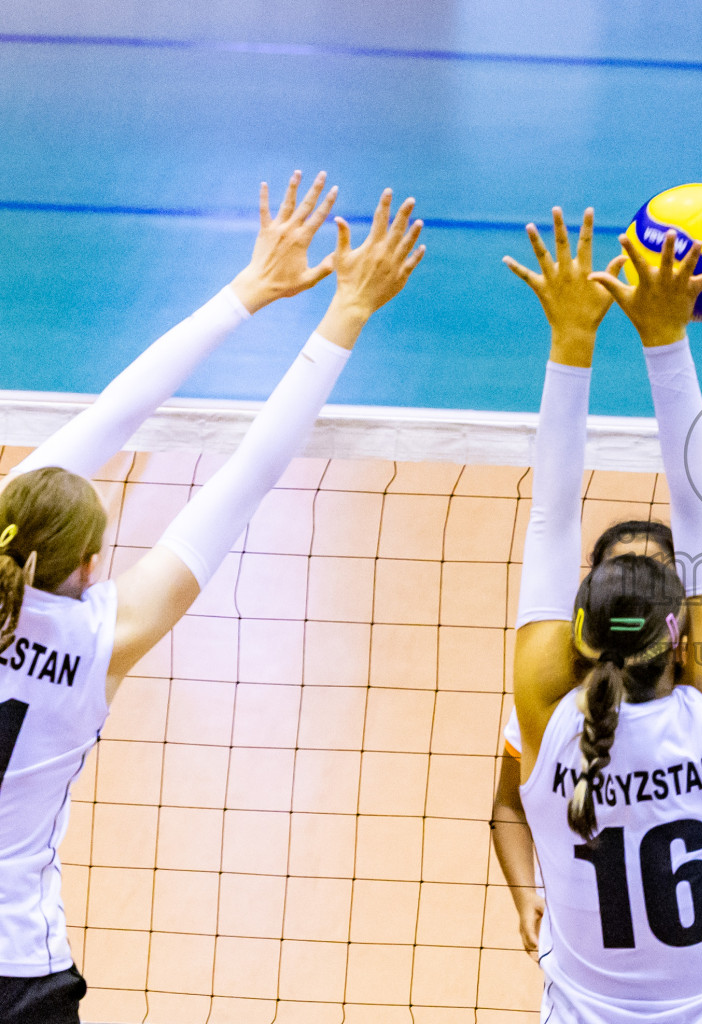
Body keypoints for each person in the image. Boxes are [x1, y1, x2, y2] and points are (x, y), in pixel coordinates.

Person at [0, 173, 424, 1024]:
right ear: (89, 566)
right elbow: (246, 476)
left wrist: (246, 292)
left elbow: (102, 423)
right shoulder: (101, 637)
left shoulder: (28, 544)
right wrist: (339, 313)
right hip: (18, 967)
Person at [496, 206, 702, 1023]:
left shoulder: (546, 716)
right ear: (680, 639)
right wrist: (665, 340)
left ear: (573, 635)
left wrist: (571, 341)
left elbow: (550, 522)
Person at [492, 519, 702, 1019]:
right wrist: (526, 898)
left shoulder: (552, 716)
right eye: (620, 575)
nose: (636, 588)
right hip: (665, 972)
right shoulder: (559, 718)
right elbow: (507, 806)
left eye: (653, 571)